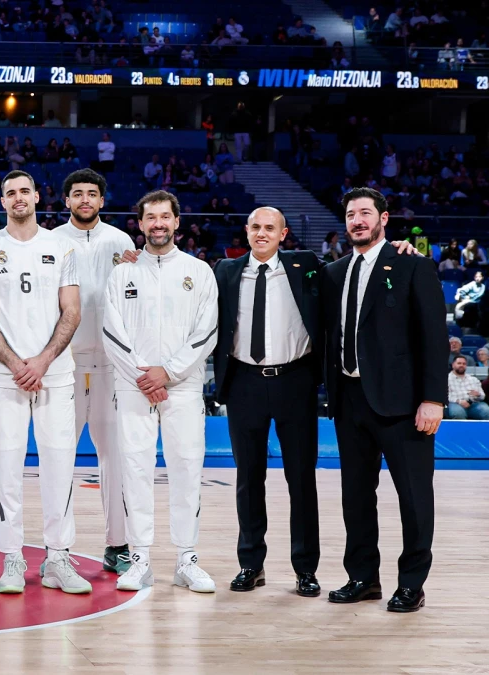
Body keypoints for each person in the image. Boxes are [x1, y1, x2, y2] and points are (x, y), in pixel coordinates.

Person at [324, 187, 446, 613]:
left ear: (384, 218)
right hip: (349, 398)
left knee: (414, 498)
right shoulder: (335, 271)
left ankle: (412, 582)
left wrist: (433, 398)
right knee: (356, 497)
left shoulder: (413, 264)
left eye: (365, 213)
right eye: (351, 214)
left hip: (404, 403)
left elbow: (433, 338)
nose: (357, 220)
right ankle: (362, 577)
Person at [0, 170, 88, 595]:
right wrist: (19, 364)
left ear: (38, 196)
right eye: (10, 193)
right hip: (5, 378)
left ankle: (58, 558)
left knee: (59, 465)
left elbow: (71, 310)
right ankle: (13, 557)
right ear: (2, 202)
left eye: (25, 191)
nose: (18, 198)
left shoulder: (62, 246)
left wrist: (41, 361)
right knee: (7, 469)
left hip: (55, 374)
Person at [103, 190, 219, 594]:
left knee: (187, 468)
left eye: (164, 217)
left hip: (182, 387)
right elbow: (111, 330)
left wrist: (167, 372)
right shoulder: (122, 273)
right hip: (134, 386)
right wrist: (144, 376)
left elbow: (206, 331)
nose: (157, 224)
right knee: (135, 469)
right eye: (150, 217)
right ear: (140, 223)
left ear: (176, 222)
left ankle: (187, 559)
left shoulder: (199, 271)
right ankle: (139, 559)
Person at [212, 207, 322, 596]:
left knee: (301, 479)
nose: (261, 233)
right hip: (244, 382)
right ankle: (250, 564)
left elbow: (350, 270)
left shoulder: (306, 264)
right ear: (246, 231)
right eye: (255, 227)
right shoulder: (225, 271)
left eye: (269, 228)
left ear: (283, 233)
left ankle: (305, 569)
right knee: (248, 478)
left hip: (295, 381)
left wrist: (397, 249)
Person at [52, 169, 136, 574]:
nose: (85, 199)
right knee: (58, 457)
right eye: (77, 194)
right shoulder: (49, 241)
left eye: (92, 193)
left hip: (110, 365)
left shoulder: (121, 242)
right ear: (66, 200)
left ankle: (117, 544)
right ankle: (59, 547)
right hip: (63, 366)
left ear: (102, 200)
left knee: (115, 456)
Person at [447, 355, 489, 420]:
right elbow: (445, 396)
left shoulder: (473, 379)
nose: (462, 365)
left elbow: (482, 396)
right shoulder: (446, 379)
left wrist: (478, 394)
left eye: (464, 364)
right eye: (459, 363)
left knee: (486, 410)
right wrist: (459, 401)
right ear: (453, 365)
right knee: (458, 412)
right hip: (455, 403)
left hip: (473, 404)